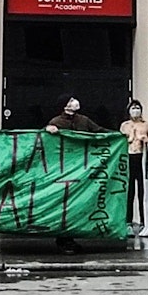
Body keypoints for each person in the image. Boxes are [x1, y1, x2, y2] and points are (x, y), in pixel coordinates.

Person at [46, 95, 107, 253]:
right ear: (65, 105)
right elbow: (46, 141)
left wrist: (118, 135)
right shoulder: (56, 122)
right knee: (64, 203)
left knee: (77, 202)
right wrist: (48, 129)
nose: (75, 102)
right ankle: (64, 238)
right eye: (71, 100)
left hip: (82, 168)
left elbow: (99, 132)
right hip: (64, 169)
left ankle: (71, 236)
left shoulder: (84, 120)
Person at [120, 100, 148, 229]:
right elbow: (119, 142)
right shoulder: (125, 125)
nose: (135, 110)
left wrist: (146, 140)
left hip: (141, 158)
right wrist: (129, 138)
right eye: (133, 108)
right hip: (129, 157)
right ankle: (128, 220)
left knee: (142, 191)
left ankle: (143, 220)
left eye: (138, 108)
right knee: (129, 191)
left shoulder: (146, 125)